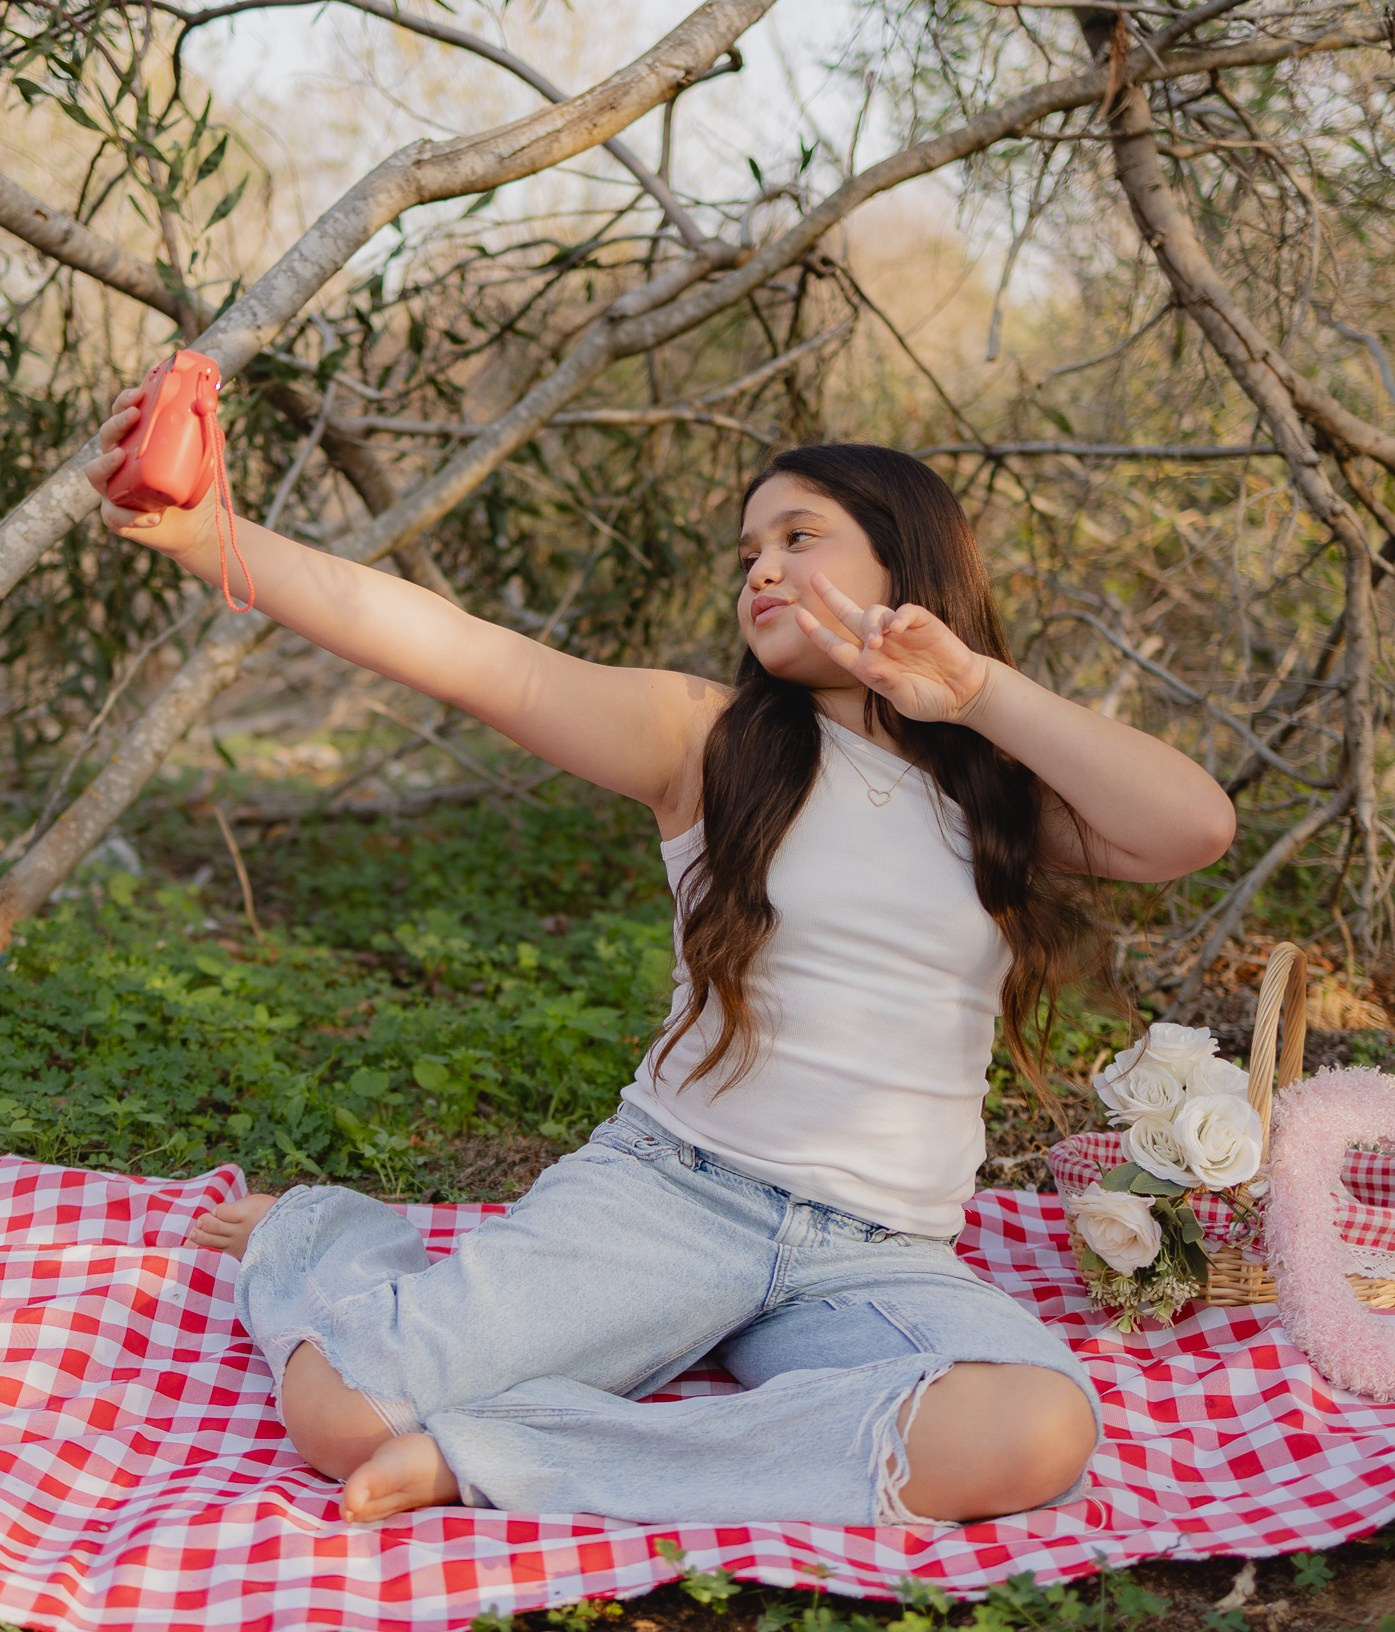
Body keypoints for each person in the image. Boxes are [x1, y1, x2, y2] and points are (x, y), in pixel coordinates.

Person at [86, 408, 1236, 1529]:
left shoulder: (992, 795)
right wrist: (210, 537)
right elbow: (470, 654)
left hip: (878, 1258)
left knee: (1033, 1427)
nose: (762, 571)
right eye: (748, 553)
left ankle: (509, 1453)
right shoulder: (710, 738)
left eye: (800, 536)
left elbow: (1191, 828)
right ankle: (328, 1235)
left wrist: (974, 691)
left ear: (909, 558)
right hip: (676, 1202)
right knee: (339, 1416)